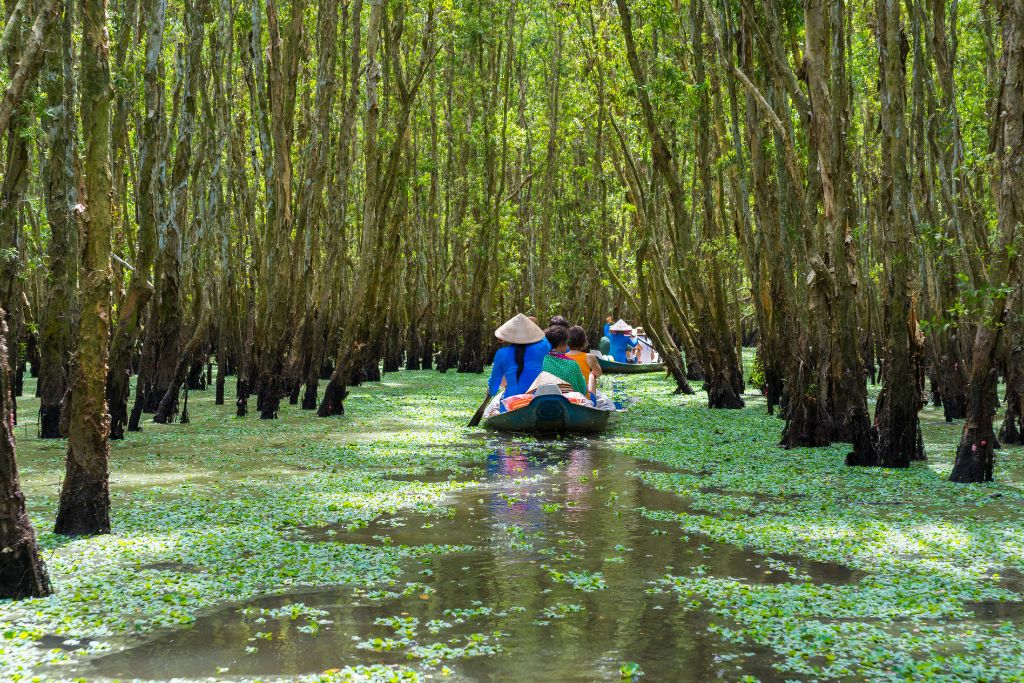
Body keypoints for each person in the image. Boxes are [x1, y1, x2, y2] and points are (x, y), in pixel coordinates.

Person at [486, 314, 548, 412]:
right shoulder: (542, 348)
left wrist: (490, 391)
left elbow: (494, 386)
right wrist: (533, 326)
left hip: (511, 403)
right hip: (537, 400)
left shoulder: (501, 353)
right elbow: (545, 339)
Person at [540, 325, 588, 395]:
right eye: (566, 343)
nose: (567, 346)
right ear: (561, 344)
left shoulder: (542, 360)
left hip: (546, 399)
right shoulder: (572, 364)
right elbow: (582, 390)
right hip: (568, 403)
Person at [566, 325, 602, 396]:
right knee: (593, 375)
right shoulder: (589, 357)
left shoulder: (562, 356)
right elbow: (598, 373)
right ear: (584, 341)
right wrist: (591, 374)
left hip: (568, 396)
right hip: (584, 397)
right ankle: (592, 402)